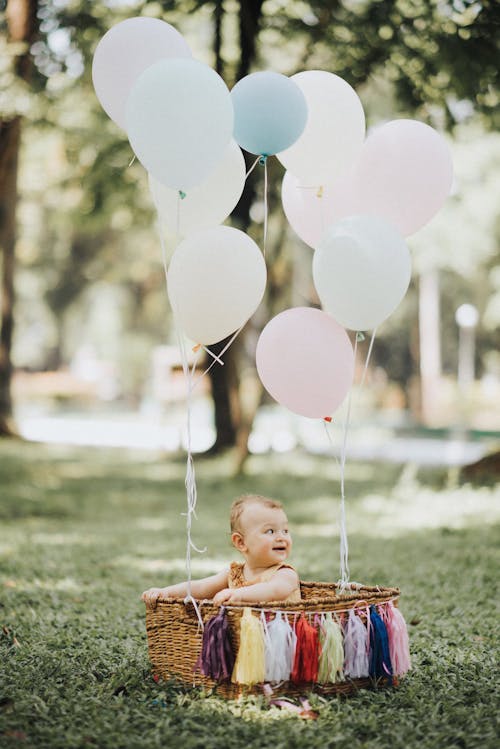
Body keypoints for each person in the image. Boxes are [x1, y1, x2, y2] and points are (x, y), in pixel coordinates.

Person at [141, 494, 301, 606]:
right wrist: (166, 592)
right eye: (270, 531)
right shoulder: (234, 574)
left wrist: (238, 595)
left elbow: (273, 591)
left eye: (285, 530)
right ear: (241, 542)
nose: (282, 537)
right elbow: (201, 587)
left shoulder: (285, 574)